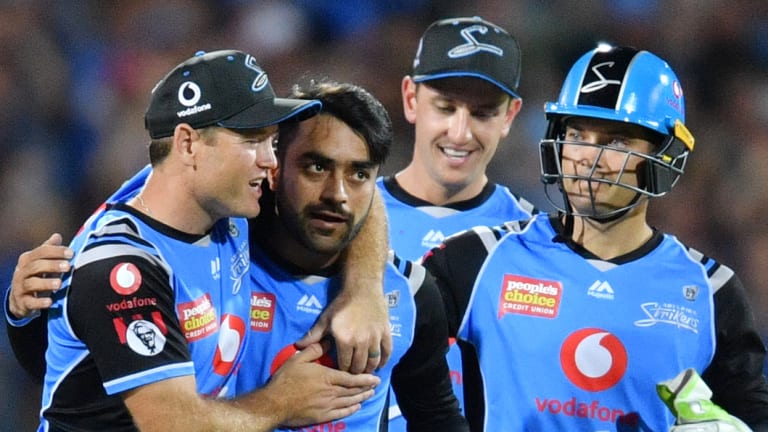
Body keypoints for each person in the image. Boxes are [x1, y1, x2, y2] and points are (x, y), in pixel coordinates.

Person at [15, 49, 390, 431]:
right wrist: (281, 402)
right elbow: (171, 423)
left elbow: (361, 199)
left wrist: (364, 291)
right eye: (251, 140)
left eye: (272, 143)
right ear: (189, 144)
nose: (270, 162)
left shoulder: (230, 206)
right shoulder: (123, 268)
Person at [420, 44, 768, 430]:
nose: (588, 156)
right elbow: (388, 341)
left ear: (665, 155)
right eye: (577, 133)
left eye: (617, 142)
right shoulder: (476, 259)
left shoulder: (712, 291)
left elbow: (752, 415)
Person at [237, 79, 467, 430]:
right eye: (316, 167)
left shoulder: (411, 292)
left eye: (359, 173)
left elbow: (436, 418)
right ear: (274, 167)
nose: (337, 194)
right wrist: (273, 405)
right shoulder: (221, 263)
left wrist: (366, 286)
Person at [376, 16, 537, 429]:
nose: (461, 133)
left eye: (483, 113)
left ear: (510, 116)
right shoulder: (343, 218)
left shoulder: (534, 241)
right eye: (445, 108)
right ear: (411, 100)